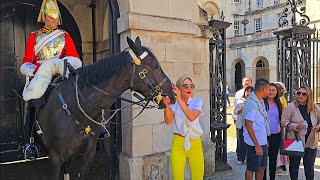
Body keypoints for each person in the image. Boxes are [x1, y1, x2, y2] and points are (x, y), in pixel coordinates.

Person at [20, 0, 81, 160]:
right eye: (50, 17)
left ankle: (90, 130)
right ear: (44, 17)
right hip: (41, 74)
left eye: (55, 18)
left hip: (60, 73)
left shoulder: (64, 36)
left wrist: (65, 63)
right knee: (30, 102)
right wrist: (29, 68)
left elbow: (74, 57)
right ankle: (29, 143)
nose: (53, 20)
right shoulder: (34, 36)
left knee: (80, 93)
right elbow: (27, 59)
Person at [163, 76, 205, 180]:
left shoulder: (197, 102)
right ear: (178, 88)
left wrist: (179, 99)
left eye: (191, 86)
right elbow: (168, 121)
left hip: (194, 142)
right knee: (177, 177)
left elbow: (191, 116)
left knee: (198, 176)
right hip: (178, 142)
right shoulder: (174, 104)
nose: (189, 88)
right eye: (185, 86)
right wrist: (167, 106)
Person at [281, 86, 320, 180]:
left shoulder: (315, 107)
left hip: (310, 142)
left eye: (304, 94)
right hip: (295, 141)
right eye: (299, 93)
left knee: (309, 168)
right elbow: (283, 122)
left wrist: (318, 127)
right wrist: (296, 126)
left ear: (309, 96)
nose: (300, 95)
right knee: (294, 167)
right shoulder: (291, 106)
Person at [242, 79, 270, 180]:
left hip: (261, 141)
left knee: (261, 168)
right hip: (254, 143)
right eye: (268, 89)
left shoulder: (260, 102)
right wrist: (257, 145)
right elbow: (248, 125)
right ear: (264, 89)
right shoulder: (252, 105)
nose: (269, 92)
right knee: (251, 168)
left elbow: (260, 123)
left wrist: (264, 139)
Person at [262, 83, 283, 180]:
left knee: (273, 159)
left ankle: (272, 177)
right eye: (269, 90)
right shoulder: (262, 103)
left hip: (276, 135)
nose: (271, 92)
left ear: (277, 92)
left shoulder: (279, 103)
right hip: (263, 135)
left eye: (273, 90)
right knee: (263, 160)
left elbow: (281, 120)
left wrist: (282, 135)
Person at [233, 76, 252, 163]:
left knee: (250, 139)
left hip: (251, 122)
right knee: (240, 139)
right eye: (245, 82)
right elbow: (235, 107)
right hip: (240, 120)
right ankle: (240, 157)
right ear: (242, 83)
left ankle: (250, 157)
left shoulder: (254, 94)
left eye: (248, 82)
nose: (247, 83)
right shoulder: (238, 94)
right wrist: (235, 118)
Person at [274, 82, 289, 175]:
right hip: (279, 125)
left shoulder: (281, 99)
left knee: (281, 146)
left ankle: (282, 166)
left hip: (281, 125)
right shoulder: (281, 99)